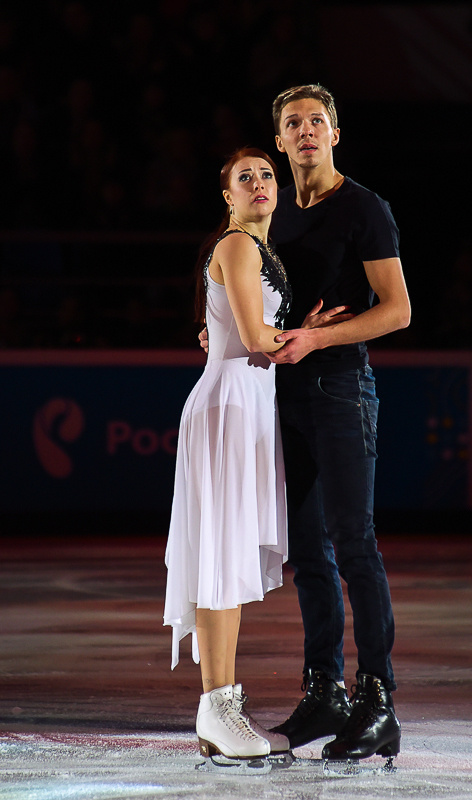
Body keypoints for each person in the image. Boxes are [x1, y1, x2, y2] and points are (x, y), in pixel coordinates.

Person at [267, 84, 411, 762]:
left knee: (353, 544)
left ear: (335, 134)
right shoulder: (271, 214)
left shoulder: (364, 208)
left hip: (341, 386)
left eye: (316, 121)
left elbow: (398, 310)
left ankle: (377, 699)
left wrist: (320, 340)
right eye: (292, 123)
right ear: (278, 141)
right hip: (284, 393)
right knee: (308, 553)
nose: (305, 132)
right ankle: (325, 688)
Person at [163, 147, 292, 763]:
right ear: (228, 196)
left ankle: (220, 705)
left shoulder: (258, 251)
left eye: (268, 174)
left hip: (245, 405)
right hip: (227, 411)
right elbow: (255, 338)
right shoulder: (239, 244)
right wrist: (316, 333)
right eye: (246, 177)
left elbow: (240, 331)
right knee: (220, 557)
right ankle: (217, 704)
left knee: (229, 555)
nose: (260, 182)